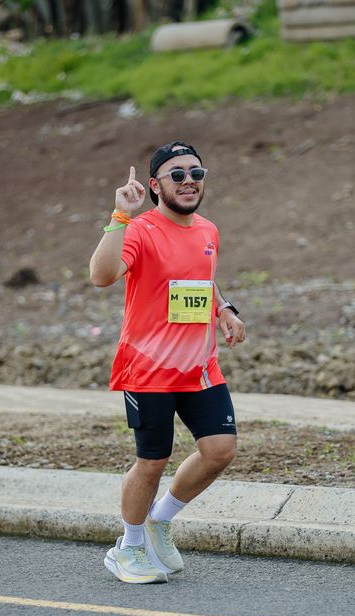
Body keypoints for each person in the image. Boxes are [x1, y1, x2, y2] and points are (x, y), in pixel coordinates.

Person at [89, 141, 246, 584]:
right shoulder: (140, 230)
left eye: (197, 173)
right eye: (177, 175)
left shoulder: (208, 230)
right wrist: (120, 216)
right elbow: (101, 276)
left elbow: (202, 280)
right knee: (152, 462)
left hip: (200, 367)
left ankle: (158, 521)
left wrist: (224, 309)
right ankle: (128, 547)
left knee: (220, 450)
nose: (189, 181)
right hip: (148, 369)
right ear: (156, 186)